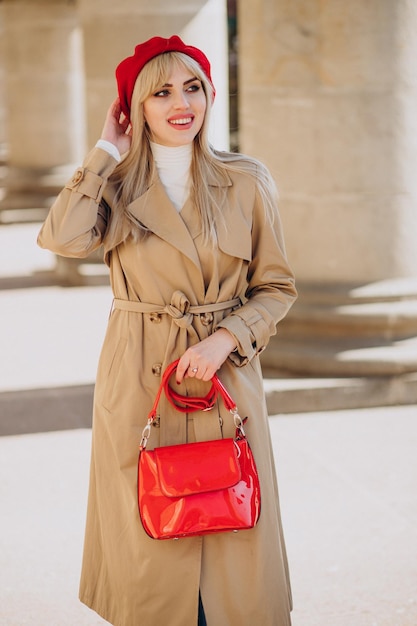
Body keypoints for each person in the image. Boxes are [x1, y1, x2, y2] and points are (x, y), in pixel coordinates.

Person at [38, 35, 297, 626]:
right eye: (161, 92)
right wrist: (107, 148)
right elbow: (61, 237)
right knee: (154, 555)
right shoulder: (116, 186)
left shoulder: (247, 180)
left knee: (233, 537)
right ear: (135, 106)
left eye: (193, 87)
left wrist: (226, 337)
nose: (183, 103)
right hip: (140, 377)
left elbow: (277, 287)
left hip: (223, 379)